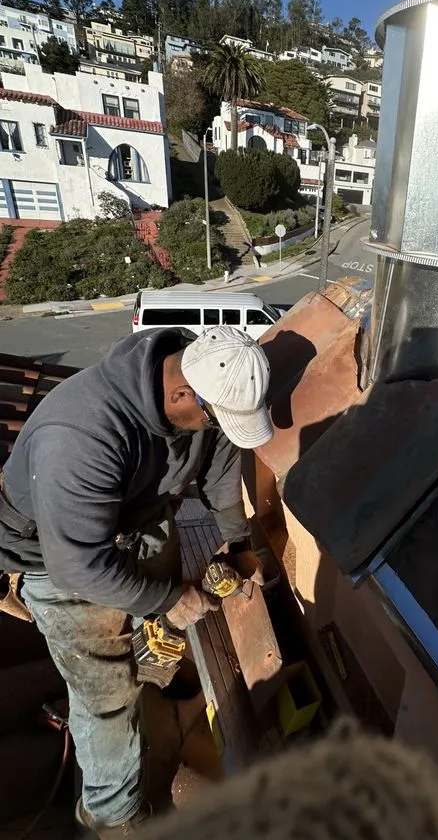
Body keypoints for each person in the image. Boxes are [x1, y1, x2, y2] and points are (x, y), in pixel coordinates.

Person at [0, 325, 274, 838]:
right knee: (105, 696)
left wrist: (237, 542)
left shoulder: (203, 375)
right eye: (213, 419)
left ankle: (154, 669)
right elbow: (77, 565)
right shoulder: (81, 435)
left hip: (136, 521)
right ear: (179, 394)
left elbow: (217, 460)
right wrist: (169, 599)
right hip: (56, 560)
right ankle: (110, 813)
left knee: (163, 614)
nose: (213, 427)